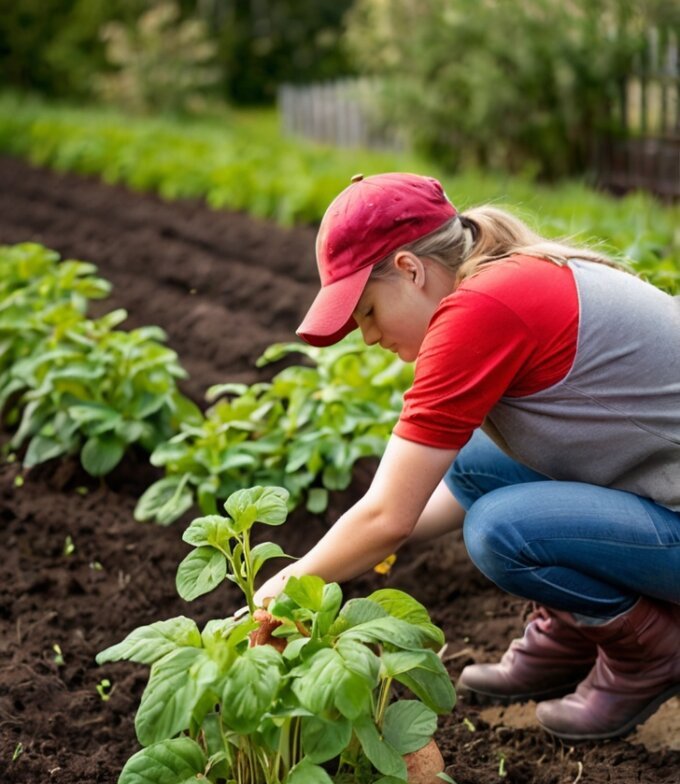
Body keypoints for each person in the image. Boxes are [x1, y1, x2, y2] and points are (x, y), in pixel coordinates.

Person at [254, 171, 680, 743]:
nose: (368, 337)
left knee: (501, 532)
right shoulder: (500, 277)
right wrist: (368, 552)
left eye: (369, 312)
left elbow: (388, 514)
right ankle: (576, 630)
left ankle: (654, 653)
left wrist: (283, 586)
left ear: (410, 269)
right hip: (658, 482)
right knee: (477, 462)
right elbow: (432, 501)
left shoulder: (481, 310)